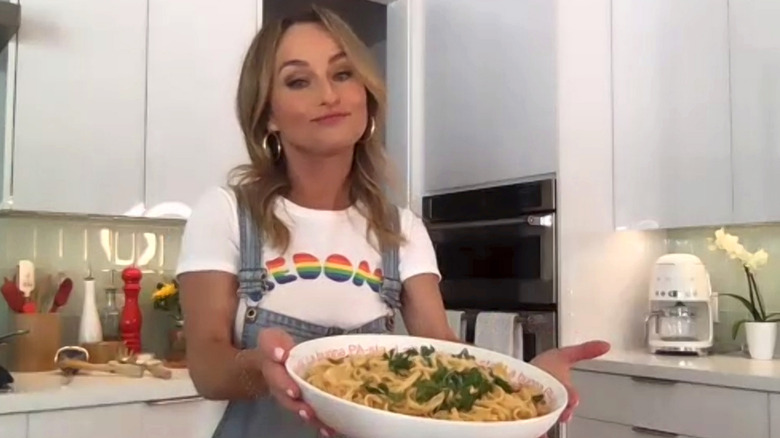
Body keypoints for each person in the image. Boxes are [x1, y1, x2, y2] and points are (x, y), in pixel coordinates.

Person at [176, 5, 610, 438]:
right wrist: (261, 367)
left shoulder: (400, 229)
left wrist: (527, 384)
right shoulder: (228, 214)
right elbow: (208, 368)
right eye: (298, 81)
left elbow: (443, 356)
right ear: (267, 113)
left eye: (343, 74)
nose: (328, 94)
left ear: (366, 93)